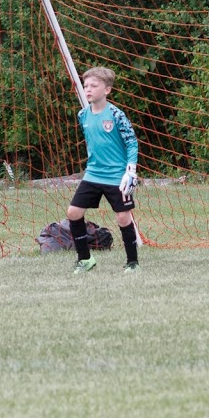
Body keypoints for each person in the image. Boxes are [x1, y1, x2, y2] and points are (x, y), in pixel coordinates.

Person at [66, 67, 140, 274]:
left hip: (117, 175)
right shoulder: (83, 115)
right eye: (86, 85)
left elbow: (131, 142)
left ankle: (132, 263)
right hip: (93, 174)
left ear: (106, 90)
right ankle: (85, 259)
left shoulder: (116, 114)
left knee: (123, 218)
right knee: (73, 212)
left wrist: (130, 170)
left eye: (93, 86)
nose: (88, 89)